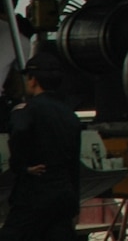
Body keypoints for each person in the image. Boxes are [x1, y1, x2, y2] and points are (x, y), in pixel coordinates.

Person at [1, 55, 80, 241]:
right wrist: (75, 204)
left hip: (35, 193)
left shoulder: (27, 109)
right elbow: (74, 164)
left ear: (33, 80)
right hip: (64, 195)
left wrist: (21, 166)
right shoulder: (70, 114)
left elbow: (19, 130)